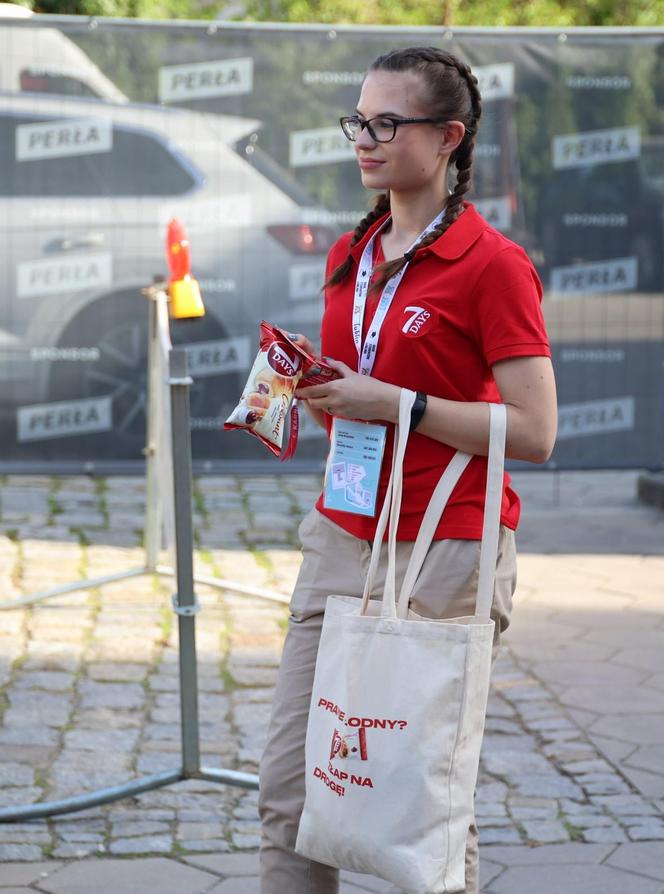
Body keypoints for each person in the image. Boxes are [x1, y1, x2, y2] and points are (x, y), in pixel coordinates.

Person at [258, 45, 557, 894]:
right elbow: (364, 393)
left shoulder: (494, 265)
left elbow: (536, 432)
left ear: (450, 137)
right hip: (344, 532)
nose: (365, 138)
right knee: (291, 793)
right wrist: (313, 391)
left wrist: (398, 404)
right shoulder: (351, 251)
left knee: (421, 806)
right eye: (359, 119)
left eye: (387, 123)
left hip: (447, 546)